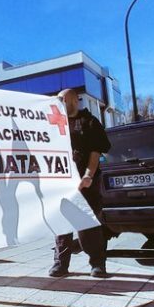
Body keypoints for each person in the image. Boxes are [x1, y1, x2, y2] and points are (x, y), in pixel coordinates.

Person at [49, 88, 111, 279]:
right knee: (62, 225)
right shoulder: (53, 122)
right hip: (61, 184)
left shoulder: (90, 122)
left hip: (86, 184)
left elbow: (95, 151)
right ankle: (60, 264)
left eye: (60, 99)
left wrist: (88, 175)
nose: (57, 102)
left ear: (72, 100)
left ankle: (97, 264)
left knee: (88, 225)